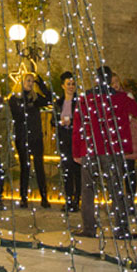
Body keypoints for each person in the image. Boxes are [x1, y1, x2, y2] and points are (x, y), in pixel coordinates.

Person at [72, 66, 137, 240]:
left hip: (90, 151)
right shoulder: (120, 99)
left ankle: (89, 228)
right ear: (109, 80)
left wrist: (76, 151)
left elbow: (77, 128)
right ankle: (121, 230)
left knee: (88, 190)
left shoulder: (86, 99)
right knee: (116, 191)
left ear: (96, 79)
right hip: (112, 151)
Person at [8, 70, 53, 208]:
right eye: (28, 80)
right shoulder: (14, 99)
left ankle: (44, 197)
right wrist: (28, 105)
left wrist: (41, 82)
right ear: (21, 81)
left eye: (32, 81)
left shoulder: (35, 98)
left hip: (36, 136)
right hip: (23, 137)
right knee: (25, 167)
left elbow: (50, 98)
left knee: (39, 166)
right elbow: (19, 115)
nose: (30, 83)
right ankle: (23, 197)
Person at [54, 72, 82, 212]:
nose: (71, 87)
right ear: (63, 86)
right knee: (66, 170)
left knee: (77, 169)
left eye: (73, 84)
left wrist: (72, 123)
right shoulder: (58, 103)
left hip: (76, 138)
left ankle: (77, 199)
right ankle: (68, 198)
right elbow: (53, 120)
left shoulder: (79, 102)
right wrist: (60, 122)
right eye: (68, 84)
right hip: (64, 138)